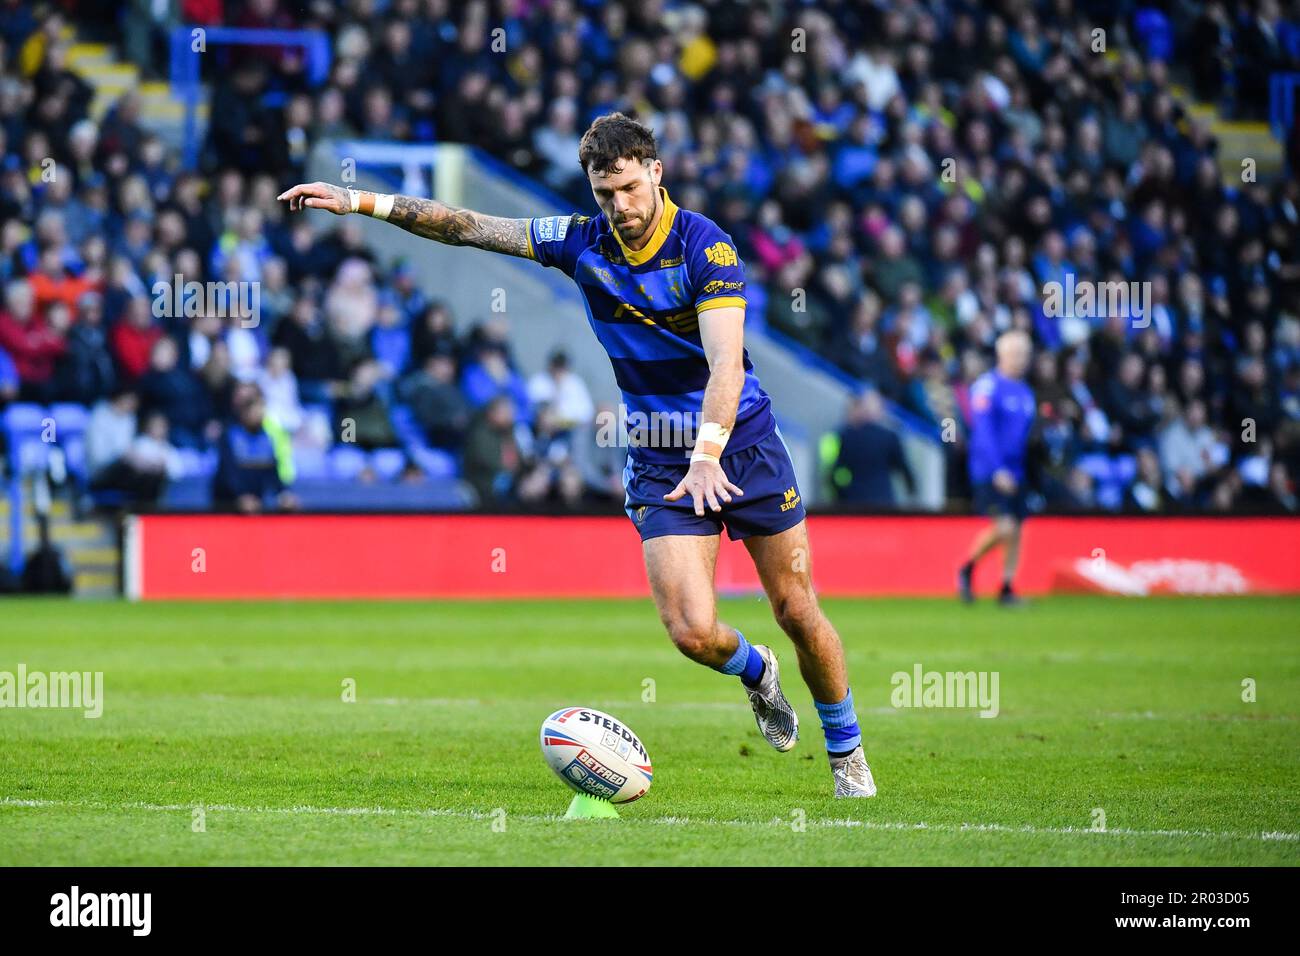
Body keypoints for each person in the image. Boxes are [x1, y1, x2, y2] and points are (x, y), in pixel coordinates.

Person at [278, 112, 876, 797]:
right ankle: (756, 672)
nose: (619, 207)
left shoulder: (705, 248)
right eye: (603, 194)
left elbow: (727, 366)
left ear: (655, 172)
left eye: (627, 189)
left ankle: (847, 757)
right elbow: (466, 226)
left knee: (797, 609)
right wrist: (358, 200)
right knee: (690, 631)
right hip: (658, 454)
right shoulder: (579, 242)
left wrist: (709, 453)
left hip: (740, 442)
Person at [958, 330, 1035, 605]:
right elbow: (983, 433)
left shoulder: (1025, 392)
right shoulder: (987, 386)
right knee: (1004, 526)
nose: (1021, 359)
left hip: (1017, 470)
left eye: (1025, 354)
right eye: (1016, 353)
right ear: (1002, 355)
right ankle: (967, 567)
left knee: (1016, 527)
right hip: (989, 469)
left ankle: (1007, 586)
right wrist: (996, 469)